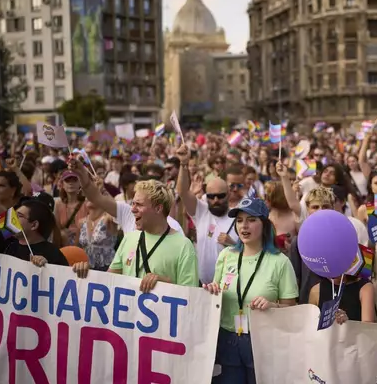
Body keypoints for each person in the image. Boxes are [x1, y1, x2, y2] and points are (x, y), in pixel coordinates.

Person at [203, 197, 298, 384]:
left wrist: (272, 305)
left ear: (264, 224)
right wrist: (212, 290)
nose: (244, 226)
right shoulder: (226, 255)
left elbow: (292, 309)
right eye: (239, 220)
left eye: (251, 220)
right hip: (227, 338)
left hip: (263, 342)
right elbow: (216, 294)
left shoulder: (280, 262)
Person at [73, 179, 198, 291]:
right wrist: (87, 273)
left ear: (158, 209)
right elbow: (109, 280)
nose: (133, 209)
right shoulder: (129, 238)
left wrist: (164, 283)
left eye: (139, 204)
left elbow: (189, 297)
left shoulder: (184, 246)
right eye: (133, 203)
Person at [0, 185, 68, 266]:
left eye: (18, 216)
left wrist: (46, 267)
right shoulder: (7, 243)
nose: (11, 218)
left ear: (34, 225)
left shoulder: (53, 254)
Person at [176, 144, 239, 285]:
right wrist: (183, 163)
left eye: (220, 196)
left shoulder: (238, 218)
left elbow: (252, 252)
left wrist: (233, 244)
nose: (216, 200)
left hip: (229, 286)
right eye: (211, 196)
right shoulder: (201, 211)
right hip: (202, 285)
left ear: (228, 194)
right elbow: (183, 192)